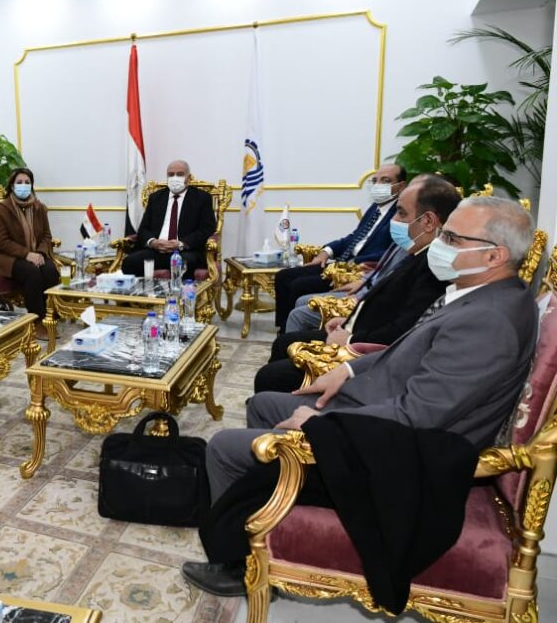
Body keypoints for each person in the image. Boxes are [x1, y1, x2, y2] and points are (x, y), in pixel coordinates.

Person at [181, 195, 538, 597]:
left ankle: (240, 565)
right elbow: (407, 350)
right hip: (382, 409)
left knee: (223, 448)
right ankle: (264, 516)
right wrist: (348, 369)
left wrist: (320, 425)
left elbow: (418, 417)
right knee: (265, 404)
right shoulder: (481, 292)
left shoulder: (488, 323)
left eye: (452, 238)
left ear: (495, 255)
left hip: (400, 457)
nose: (439, 243)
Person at [254, 175, 460, 392]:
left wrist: (351, 337)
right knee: (283, 342)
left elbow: (403, 331)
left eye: (401, 213)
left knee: (270, 376)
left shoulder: (432, 266)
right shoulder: (417, 253)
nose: (394, 219)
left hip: (365, 352)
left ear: (428, 221)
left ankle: (278, 407)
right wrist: (348, 320)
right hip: (356, 329)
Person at [273, 164, 407, 331]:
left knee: (299, 285)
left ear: (401, 186)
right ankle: (284, 329)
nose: (378, 185)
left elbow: (390, 253)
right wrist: (326, 252)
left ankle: (294, 329)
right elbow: (354, 237)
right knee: (283, 276)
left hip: (355, 271)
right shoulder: (375, 208)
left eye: (385, 181)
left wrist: (352, 264)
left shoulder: (399, 215)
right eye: (375, 181)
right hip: (340, 264)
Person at [0, 168, 59, 340]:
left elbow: (46, 236)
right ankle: (36, 322)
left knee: (50, 270)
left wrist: (41, 252)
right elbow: (3, 242)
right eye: (19, 182)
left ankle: (50, 317)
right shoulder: (2, 210)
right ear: (12, 186)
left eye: (27, 182)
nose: (23, 186)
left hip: (37, 254)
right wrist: (27, 254)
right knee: (32, 272)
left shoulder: (39, 207)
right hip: (9, 257)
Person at [120, 160, 216, 279]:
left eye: (180, 174)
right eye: (171, 174)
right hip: (157, 250)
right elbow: (143, 229)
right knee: (129, 262)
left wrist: (181, 243)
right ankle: (145, 290)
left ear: (188, 177)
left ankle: (182, 291)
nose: (175, 178)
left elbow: (207, 229)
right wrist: (153, 242)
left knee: (185, 263)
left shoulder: (202, 198)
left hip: (185, 251)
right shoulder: (156, 197)